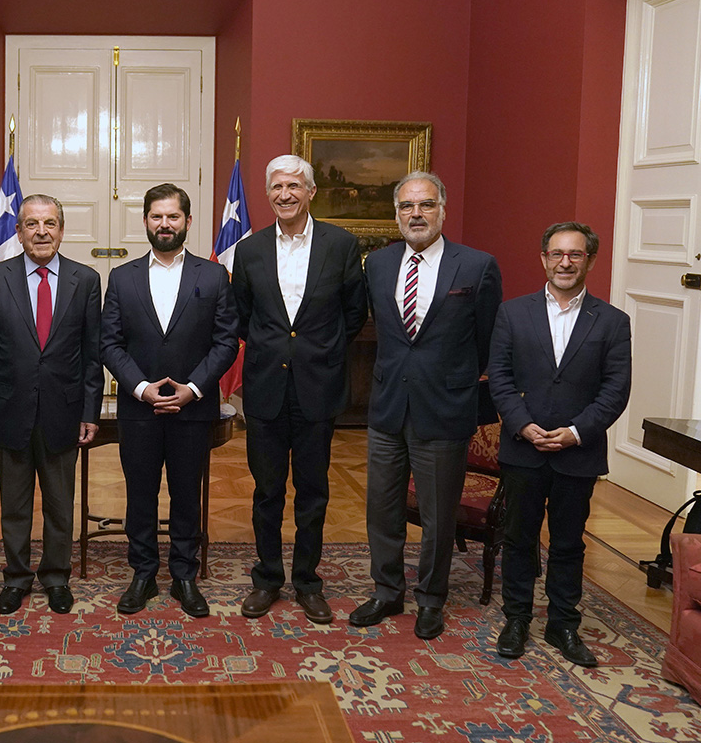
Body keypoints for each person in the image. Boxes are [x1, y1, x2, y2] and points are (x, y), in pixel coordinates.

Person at [350, 171, 502, 640]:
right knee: (382, 509)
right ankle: (386, 591)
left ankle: (431, 598)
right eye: (407, 206)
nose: (416, 214)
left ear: (443, 210)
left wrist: (456, 383)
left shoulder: (476, 266)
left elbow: (487, 341)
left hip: (444, 407)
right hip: (388, 405)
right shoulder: (377, 264)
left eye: (426, 204)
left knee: (438, 515)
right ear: (396, 214)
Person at [488, 221, 631, 666]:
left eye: (575, 254)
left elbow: (615, 390)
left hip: (578, 453)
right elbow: (500, 377)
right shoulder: (513, 313)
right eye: (556, 254)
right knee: (518, 538)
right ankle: (516, 619)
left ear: (590, 260)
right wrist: (522, 425)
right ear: (543, 259)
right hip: (523, 448)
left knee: (569, 543)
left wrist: (575, 432)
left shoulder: (613, 321)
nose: (565, 263)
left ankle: (563, 624)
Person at [232, 155, 367, 622]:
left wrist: (319, 351)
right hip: (266, 388)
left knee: (313, 492)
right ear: (268, 193)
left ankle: (308, 582)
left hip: (317, 387)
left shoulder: (341, 245)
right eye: (277, 187)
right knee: (267, 491)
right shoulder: (249, 250)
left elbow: (354, 313)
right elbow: (242, 315)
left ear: (311, 192)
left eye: (294, 186)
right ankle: (267, 579)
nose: (284, 194)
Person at [100, 183, 238, 618]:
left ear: (188, 222)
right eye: (157, 216)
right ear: (145, 221)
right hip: (138, 409)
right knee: (140, 495)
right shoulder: (121, 277)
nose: (165, 224)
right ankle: (142, 573)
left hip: (193, 409)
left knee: (186, 495)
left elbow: (226, 342)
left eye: (173, 216)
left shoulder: (213, 276)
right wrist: (141, 388)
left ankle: (184, 575)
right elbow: (109, 343)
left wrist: (193, 388)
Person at [0, 195, 103, 616]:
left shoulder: (86, 280)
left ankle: (56, 576)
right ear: (19, 231)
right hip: (9, 409)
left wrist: (90, 411)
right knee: (14, 504)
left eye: (49, 224)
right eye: (32, 224)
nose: (41, 232)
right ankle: (16, 577)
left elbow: (92, 354)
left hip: (64, 410)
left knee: (60, 504)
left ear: (61, 230)